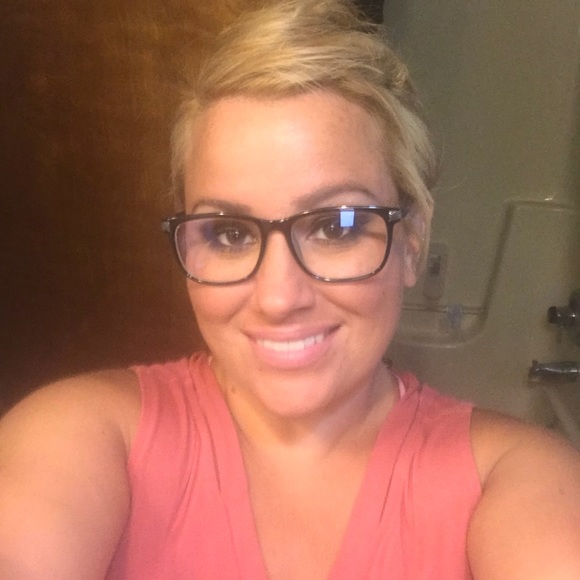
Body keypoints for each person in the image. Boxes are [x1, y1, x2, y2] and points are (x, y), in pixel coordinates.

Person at [1, 0, 580, 578]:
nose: (278, 299)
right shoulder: (81, 434)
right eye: (229, 234)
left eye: (337, 227)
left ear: (411, 242)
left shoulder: (520, 478)